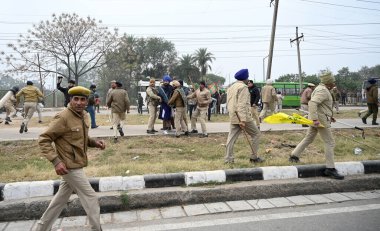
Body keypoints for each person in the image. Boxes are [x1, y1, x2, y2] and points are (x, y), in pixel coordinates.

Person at [35, 86, 106, 231]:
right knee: (90, 197)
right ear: (70, 100)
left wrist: (94, 143)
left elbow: (81, 138)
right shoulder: (63, 117)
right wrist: (56, 161)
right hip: (69, 167)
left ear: (87, 101)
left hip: (76, 163)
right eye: (76, 99)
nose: (79, 103)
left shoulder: (84, 115)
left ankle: (41, 229)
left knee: (59, 201)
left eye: (83, 99)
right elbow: (44, 139)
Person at [289, 72, 344, 180]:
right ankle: (330, 168)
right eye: (333, 81)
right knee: (330, 142)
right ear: (328, 82)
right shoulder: (323, 90)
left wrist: (329, 116)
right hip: (320, 120)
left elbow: (321, 106)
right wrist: (315, 119)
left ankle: (294, 155)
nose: (334, 82)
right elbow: (313, 103)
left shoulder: (319, 88)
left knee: (308, 138)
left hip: (319, 118)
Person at [225, 69, 264, 164]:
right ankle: (254, 157)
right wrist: (242, 120)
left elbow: (229, 103)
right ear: (245, 78)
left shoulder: (231, 87)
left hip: (234, 115)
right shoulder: (243, 87)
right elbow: (241, 104)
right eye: (247, 78)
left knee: (231, 138)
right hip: (243, 117)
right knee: (256, 134)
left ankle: (228, 159)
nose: (248, 80)